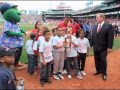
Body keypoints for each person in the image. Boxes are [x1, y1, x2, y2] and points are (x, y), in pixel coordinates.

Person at [91, 13, 114, 80]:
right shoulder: (95, 26)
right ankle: (98, 71)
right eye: (96, 18)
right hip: (96, 47)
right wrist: (91, 44)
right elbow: (93, 36)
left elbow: (110, 37)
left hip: (103, 47)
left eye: (97, 18)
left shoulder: (108, 26)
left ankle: (104, 73)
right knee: (96, 60)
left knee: (103, 60)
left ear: (102, 18)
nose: (96, 19)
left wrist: (109, 47)